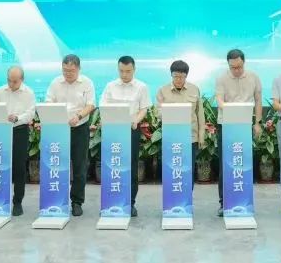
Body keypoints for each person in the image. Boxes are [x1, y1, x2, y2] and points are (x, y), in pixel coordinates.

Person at [214, 49, 263, 217]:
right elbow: (219, 99)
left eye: (239, 67)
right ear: (228, 65)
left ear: (244, 63)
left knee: (243, 163)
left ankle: (244, 201)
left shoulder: (253, 77)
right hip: (226, 124)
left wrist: (257, 123)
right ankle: (224, 203)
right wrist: (231, 110)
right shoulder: (222, 78)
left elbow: (258, 100)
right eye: (233, 67)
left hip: (245, 125)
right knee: (226, 164)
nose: (236, 70)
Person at [45, 54, 95, 217]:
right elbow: (48, 101)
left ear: (78, 69)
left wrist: (79, 116)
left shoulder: (87, 83)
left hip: (79, 128)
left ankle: (77, 202)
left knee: (80, 166)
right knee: (58, 165)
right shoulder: (55, 83)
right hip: (59, 129)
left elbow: (91, 105)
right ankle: (57, 199)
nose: (68, 74)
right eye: (65, 70)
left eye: (71, 71)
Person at [101, 56, 151, 217]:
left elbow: (143, 109)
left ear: (134, 70)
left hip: (131, 129)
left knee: (131, 166)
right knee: (112, 165)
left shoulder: (141, 87)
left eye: (128, 71)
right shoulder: (110, 86)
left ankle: (130, 203)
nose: (124, 74)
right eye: (121, 71)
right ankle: (111, 202)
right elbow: (103, 106)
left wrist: (136, 120)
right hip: (113, 130)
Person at [0, 65, 36, 217]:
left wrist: (17, 117)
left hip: (19, 131)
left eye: (15, 81)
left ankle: (17, 202)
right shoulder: (0, 91)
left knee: (19, 167)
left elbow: (30, 113)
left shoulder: (29, 93)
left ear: (22, 80)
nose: (11, 84)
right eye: (9, 81)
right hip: (1, 131)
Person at [156, 60, 207, 190]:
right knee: (172, 169)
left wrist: (201, 135)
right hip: (171, 138)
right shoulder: (163, 90)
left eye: (182, 77)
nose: (178, 80)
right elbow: (158, 112)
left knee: (188, 169)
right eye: (176, 76)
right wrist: (172, 113)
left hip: (190, 137)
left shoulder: (194, 89)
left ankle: (187, 198)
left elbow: (200, 114)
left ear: (186, 76)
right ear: (171, 75)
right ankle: (172, 199)